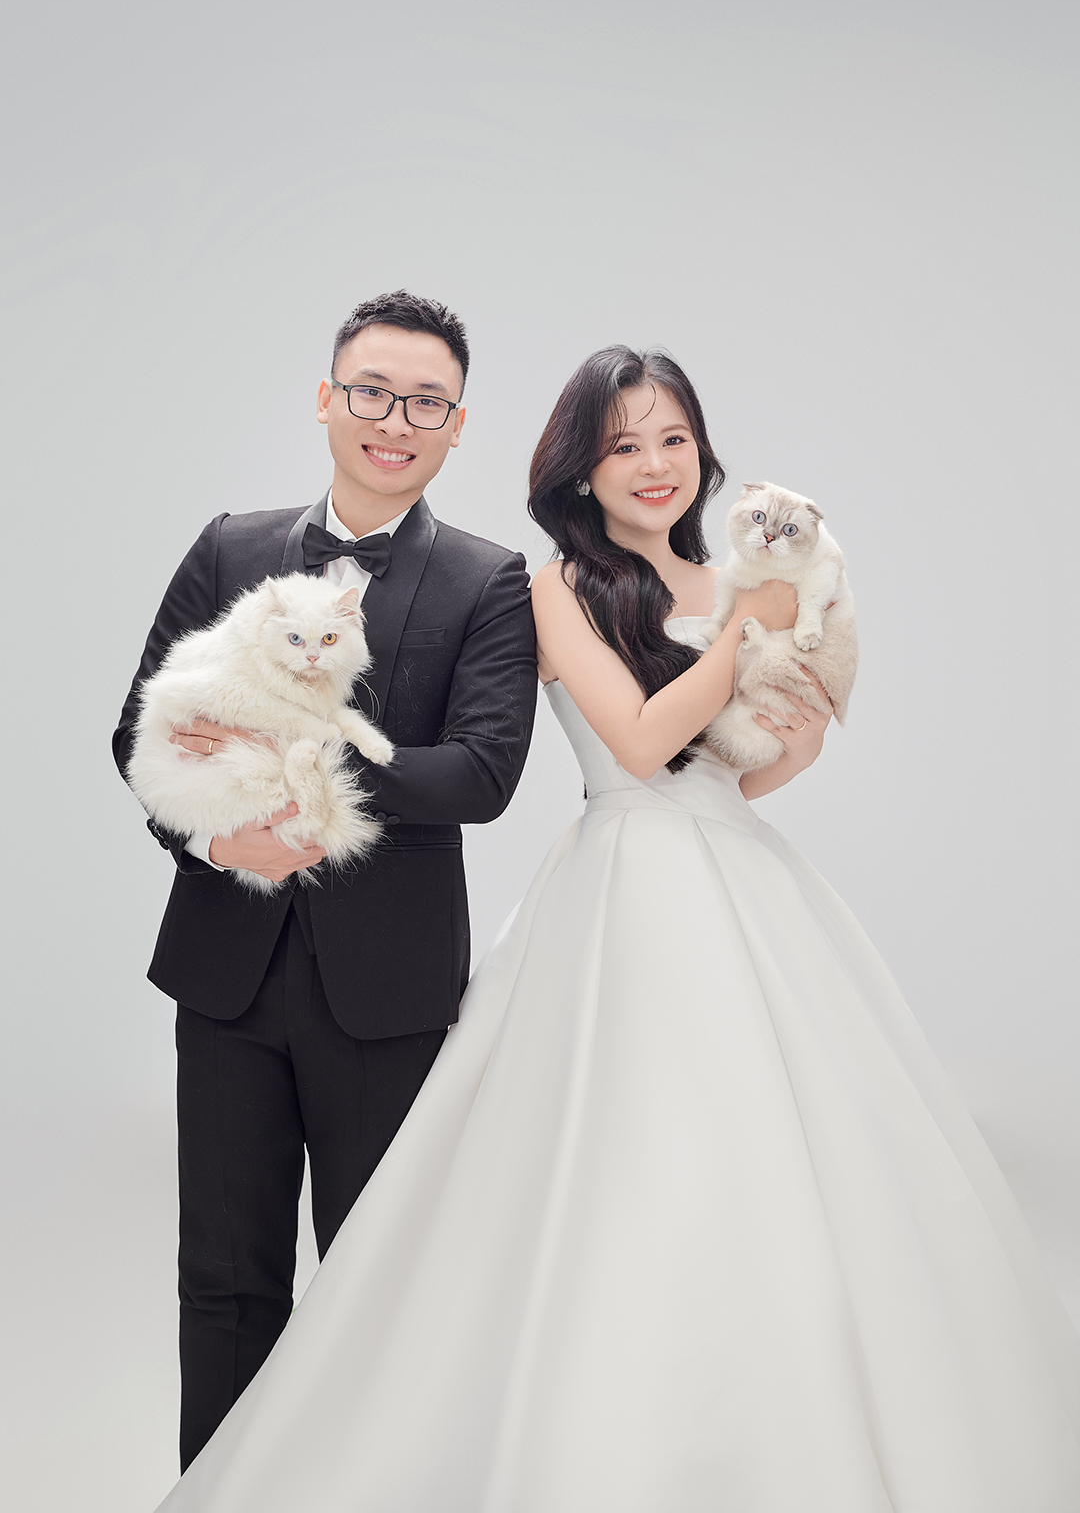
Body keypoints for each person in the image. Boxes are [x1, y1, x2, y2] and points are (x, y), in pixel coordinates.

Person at [153, 347, 1080, 1511]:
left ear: (703, 452)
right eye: (623, 444)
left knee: (780, 1176)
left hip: (745, 879)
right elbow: (639, 746)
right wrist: (748, 635)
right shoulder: (553, 590)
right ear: (580, 471)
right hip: (622, 884)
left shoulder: (732, 581)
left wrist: (798, 721)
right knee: (613, 1168)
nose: (654, 464)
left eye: (673, 439)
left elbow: (741, 771)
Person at [113, 291, 538, 1471]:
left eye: (425, 403)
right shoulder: (229, 548)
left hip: (388, 989)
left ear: (457, 425)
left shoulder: (489, 579)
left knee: (379, 1286)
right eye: (372, 392)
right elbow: (139, 734)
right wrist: (216, 843)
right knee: (224, 1279)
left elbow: (481, 774)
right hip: (226, 973)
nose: (393, 420)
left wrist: (293, 748)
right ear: (326, 399)